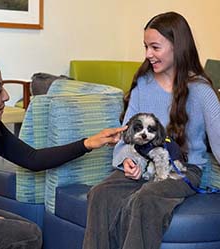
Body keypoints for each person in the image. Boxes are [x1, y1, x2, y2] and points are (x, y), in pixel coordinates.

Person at [82, 11, 220, 249]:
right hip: (142, 164)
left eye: (155, 47)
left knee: (146, 198)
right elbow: (126, 137)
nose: (148, 55)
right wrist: (128, 161)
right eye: (146, 47)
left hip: (182, 171)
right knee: (100, 193)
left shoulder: (201, 90)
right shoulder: (142, 86)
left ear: (178, 46)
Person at [0, 55, 127, 249]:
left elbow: (33, 159)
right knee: (28, 236)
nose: (6, 96)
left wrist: (88, 143)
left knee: (26, 228)